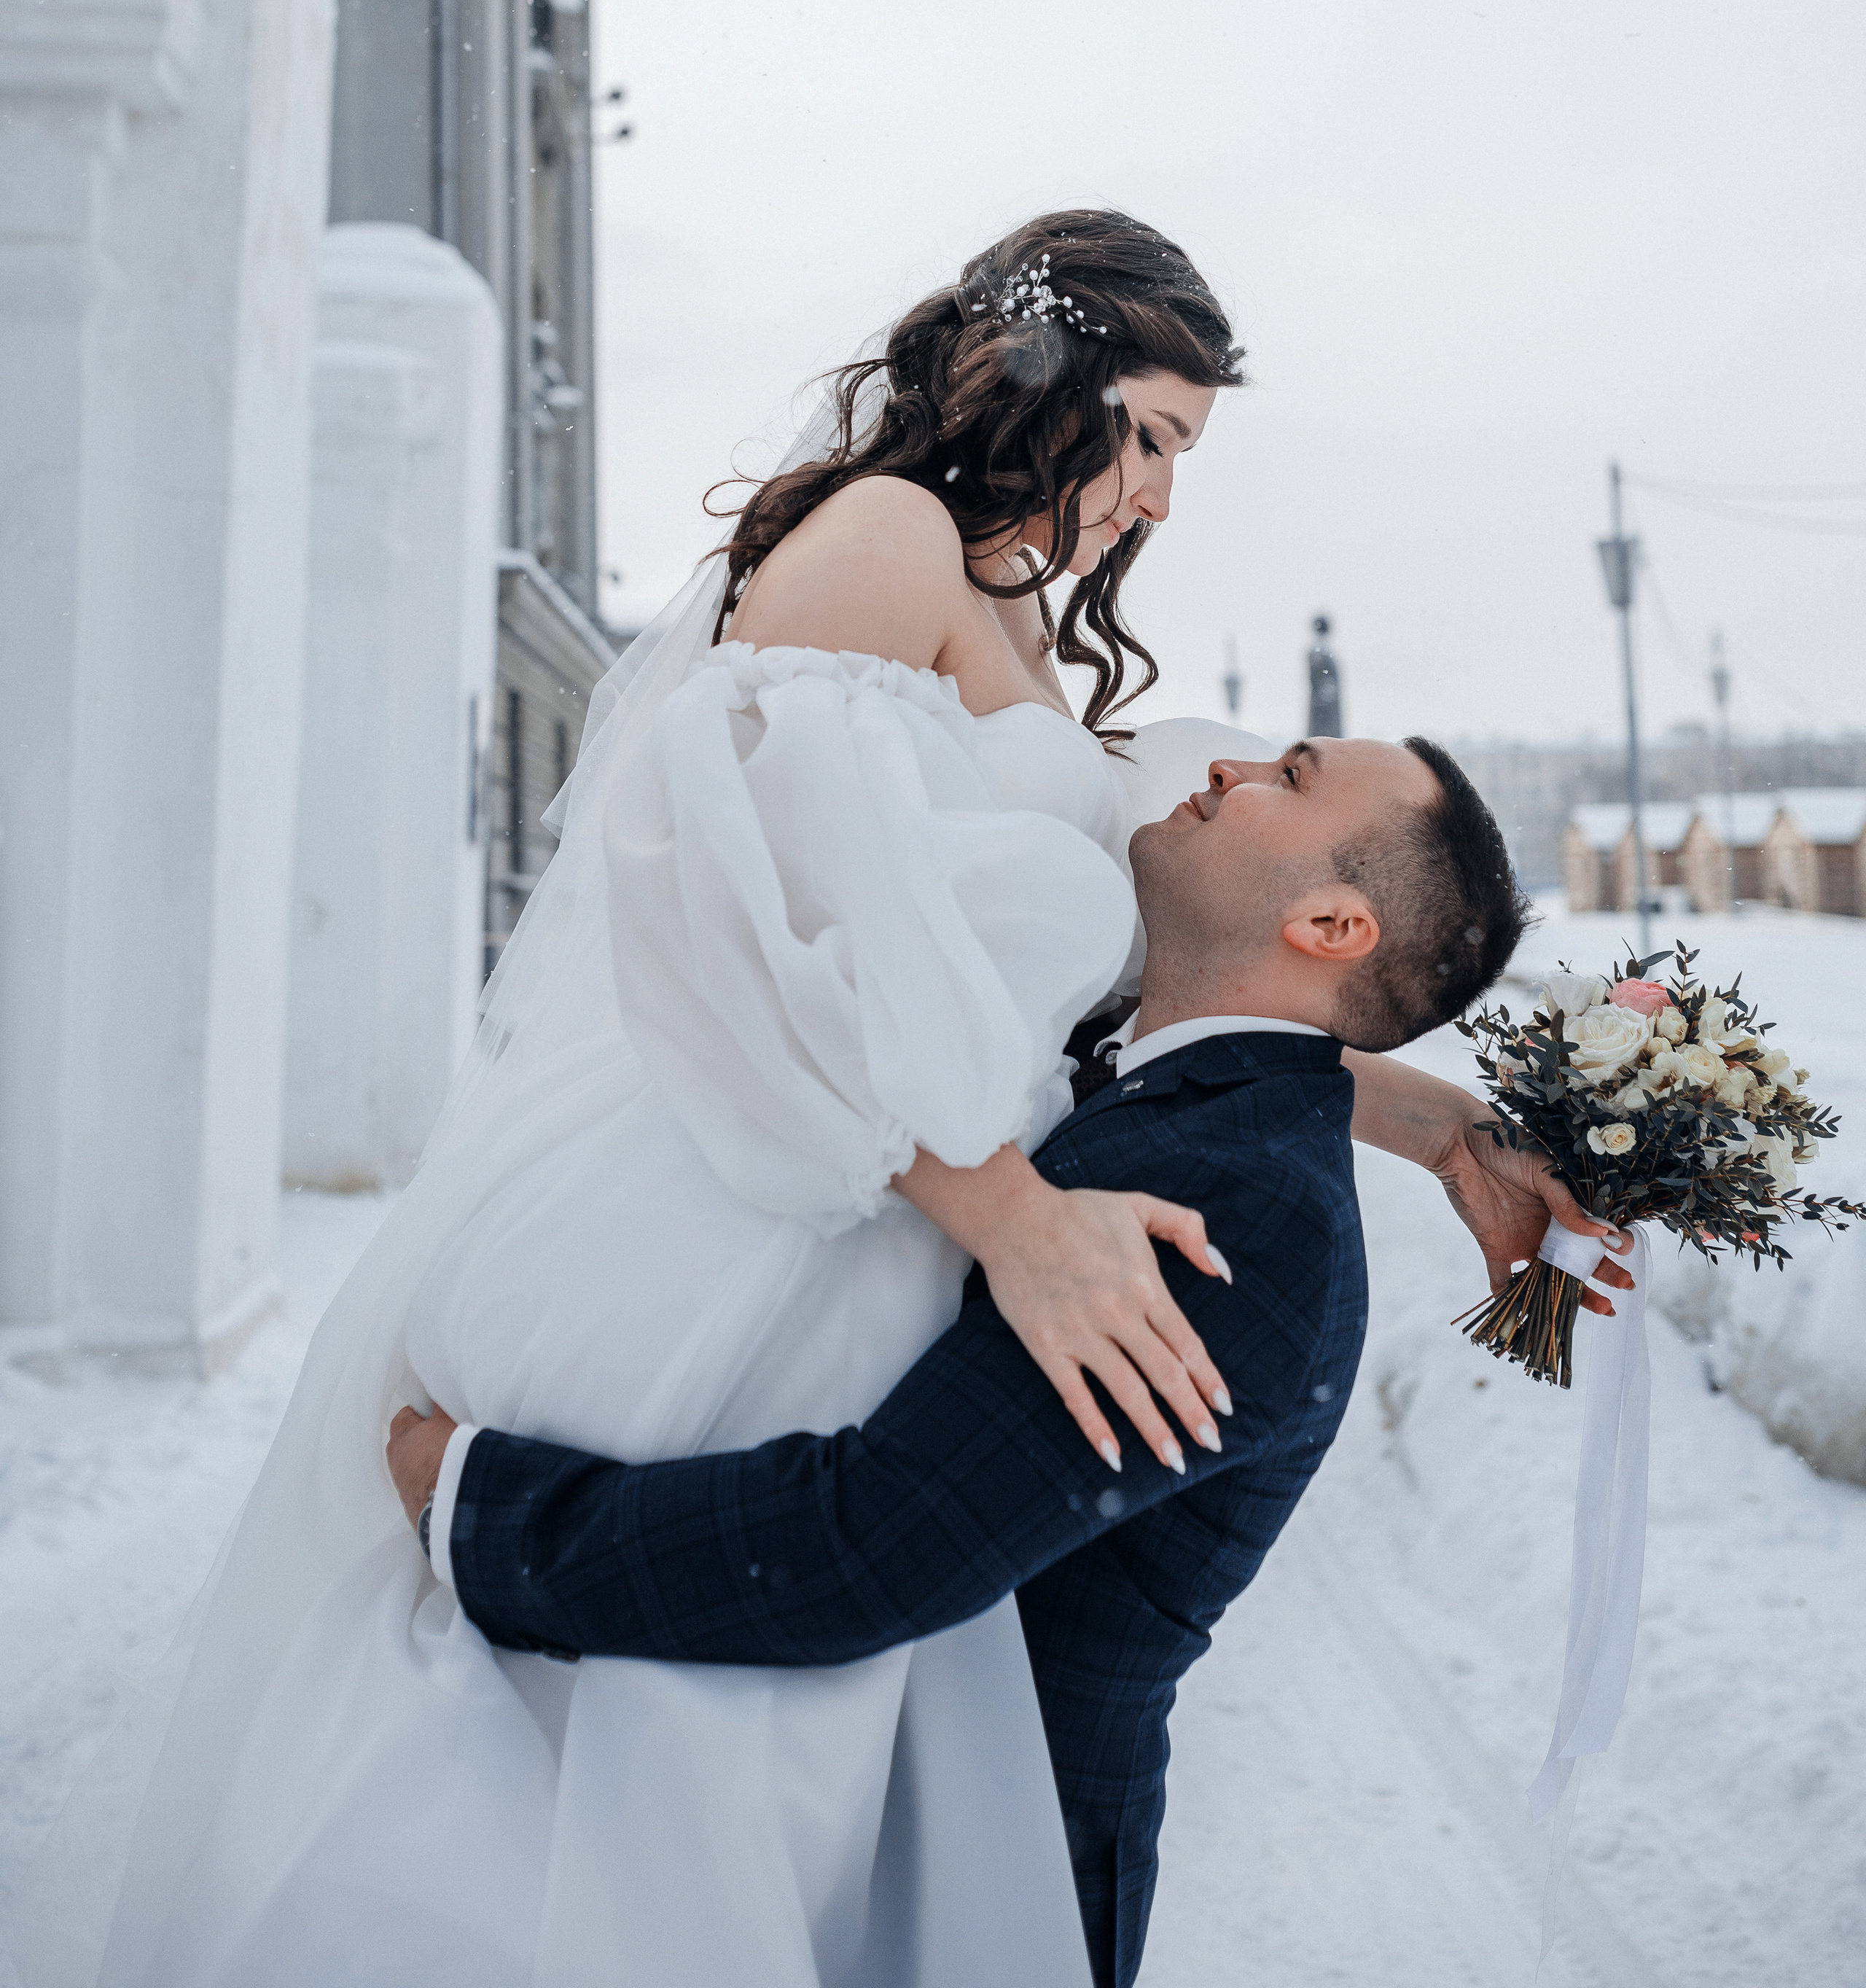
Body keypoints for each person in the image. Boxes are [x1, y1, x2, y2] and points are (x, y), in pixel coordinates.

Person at [15, 211, 1271, 1988]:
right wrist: (1007, 1221)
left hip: (884, 1225)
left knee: (781, 1762)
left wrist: (1436, 1122)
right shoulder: (884, 534)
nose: (1153, 497)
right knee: (623, 1748)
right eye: (1146, 434)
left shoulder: (1001, 607)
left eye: (1181, 458)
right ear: (1041, 369)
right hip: (755, 1208)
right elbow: (730, 926)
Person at [389, 738, 1631, 1988]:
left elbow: (869, 1548)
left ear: (1328, 920)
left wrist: (479, 1508)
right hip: (831, 1813)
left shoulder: (1250, 1215)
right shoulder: (1166, 1075)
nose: (1230, 759)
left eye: (1292, 777)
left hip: (973, 1885)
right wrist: (1451, 1128)